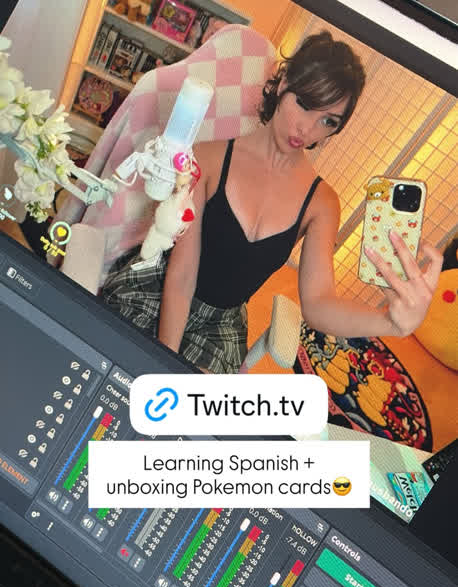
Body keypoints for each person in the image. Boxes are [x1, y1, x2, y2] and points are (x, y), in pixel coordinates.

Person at [101, 31, 442, 374]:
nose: (307, 129)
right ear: (284, 83)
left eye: (328, 121)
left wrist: (390, 322)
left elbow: (318, 303)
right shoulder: (208, 158)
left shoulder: (322, 203)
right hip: (160, 292)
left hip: (219, 325)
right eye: (304, 104)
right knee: (119, 370)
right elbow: (182, 274)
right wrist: (165, 366)